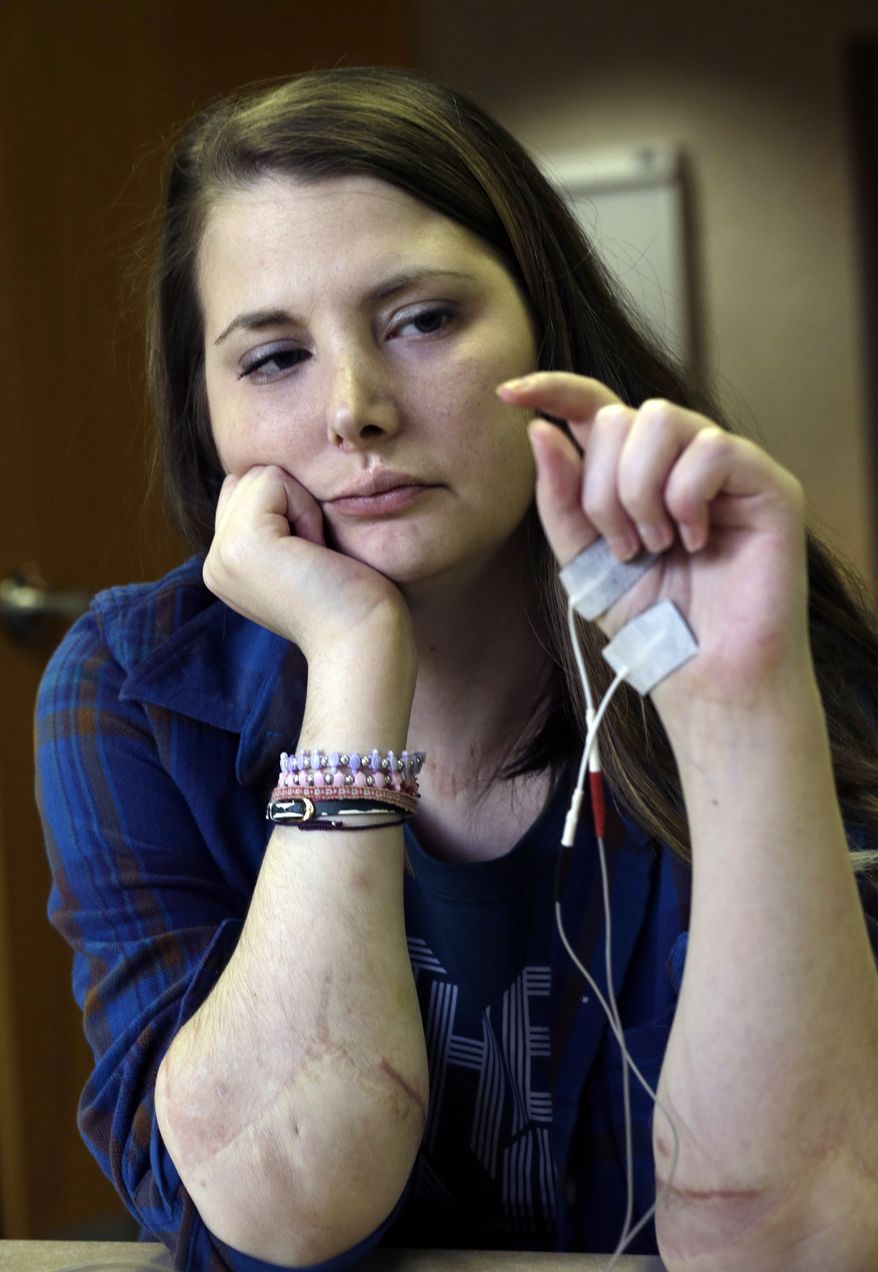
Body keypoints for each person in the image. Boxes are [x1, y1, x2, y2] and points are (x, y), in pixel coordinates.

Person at [35, 65, 878, 1272]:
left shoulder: (755, 644)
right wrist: (352, 662)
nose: (354, 410)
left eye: (421, 319)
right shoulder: (135, 685)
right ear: (206, 416)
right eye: (271, 357)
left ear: (546, 323)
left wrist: (740, 709)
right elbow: (278, 1210)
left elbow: (793, 1247)